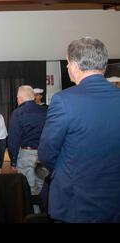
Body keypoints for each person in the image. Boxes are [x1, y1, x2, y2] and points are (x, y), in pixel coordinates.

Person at [38, 37, 120, 223]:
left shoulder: (64, 100)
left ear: (74, 66)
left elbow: (46, 152)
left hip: (77, 201)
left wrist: (65, 170)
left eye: (67, 63)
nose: (67, 68)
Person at [8, 85, 47, 195]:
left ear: (19, 99)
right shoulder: (46, 111)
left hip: (26, 155)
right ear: (33, 97)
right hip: (44, 154)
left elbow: (13, 140)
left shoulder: (17, 113)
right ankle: (43, 211)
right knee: (42, 187)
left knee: (28, 189)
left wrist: (13, 162)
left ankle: (32, 212)